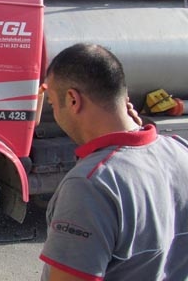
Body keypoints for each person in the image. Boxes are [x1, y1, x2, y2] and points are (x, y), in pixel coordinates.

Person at [39, 43, 188, 281]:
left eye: (53, 104)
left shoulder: (90, 185)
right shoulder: (180, 152)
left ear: (73, 100)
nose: (55, 114)